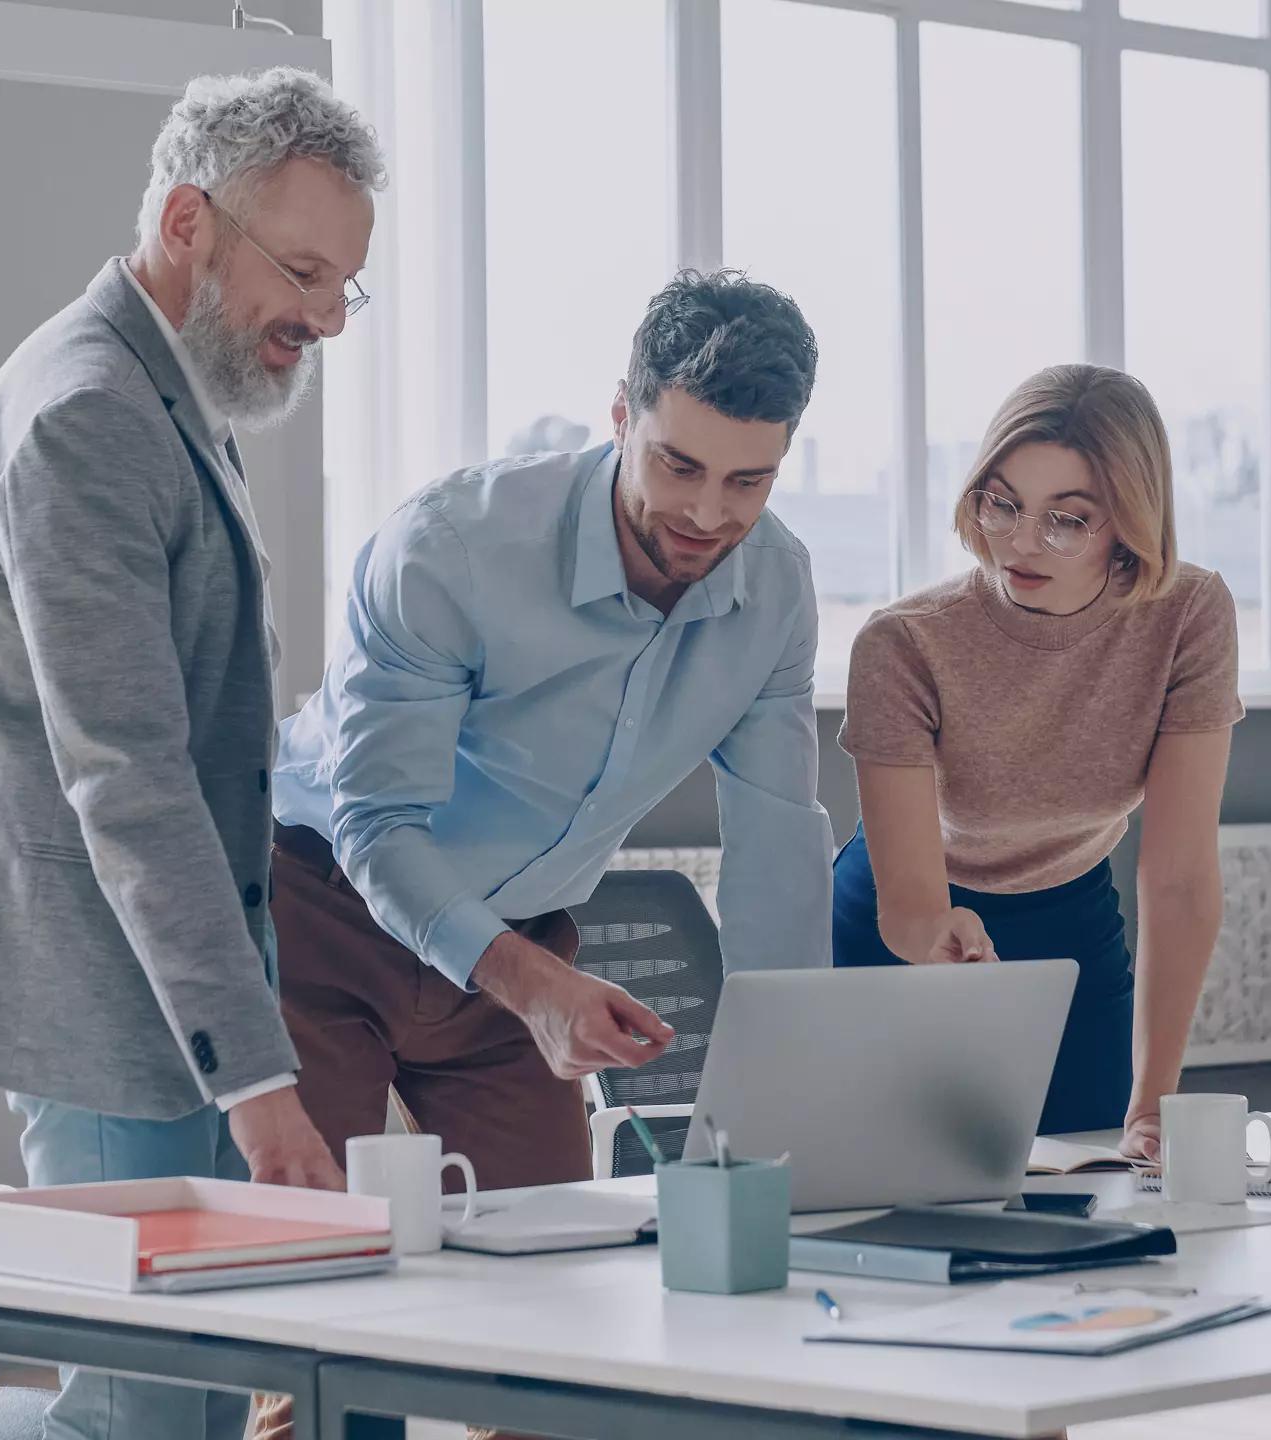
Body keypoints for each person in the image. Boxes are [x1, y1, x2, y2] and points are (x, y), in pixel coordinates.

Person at [250, 269, 834, 1440]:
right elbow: (378, 828)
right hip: (321, 918)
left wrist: (792, 1100)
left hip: (522, 953)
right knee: (318, 1330)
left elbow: (776, 844)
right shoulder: (450, 552)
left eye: (748, 481)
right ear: (621, 414)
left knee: (549, 1348)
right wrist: (530, 983)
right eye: (678, 465)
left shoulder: (774, 589)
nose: (708, 518)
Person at [0, 68, 384, 1440]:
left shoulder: (165, 390)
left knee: (161, 1398)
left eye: (347, 286)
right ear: (189, 222)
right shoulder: (91, 414)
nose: (323, 318)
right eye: (302, 272)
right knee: (148, 1414)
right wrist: (258, 1075)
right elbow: (128, 772)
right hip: (107, 1006)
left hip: (145, 987)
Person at [832, 364, 1242, 1159]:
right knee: (915, 1178)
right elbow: (910, 901)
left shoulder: (1189, 614)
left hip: (1071, 911)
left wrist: (1156, 1103)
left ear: (1128, 520)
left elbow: (1181, 876)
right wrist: (934, 934)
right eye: (1004, 503)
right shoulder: (903, 642)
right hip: (916, 909)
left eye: (1067, 519)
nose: (1020, 541)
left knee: (1095, 1177)